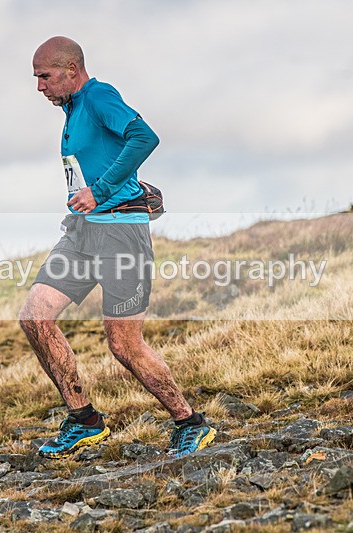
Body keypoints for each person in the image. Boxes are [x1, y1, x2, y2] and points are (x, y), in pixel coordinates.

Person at [19, 36, 216, 459]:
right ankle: (84, 421)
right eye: (37, 78)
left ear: (71, 69)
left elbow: (144, 137)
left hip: (121, 234)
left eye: (45, 77)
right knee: (35, 318)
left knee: (124, 345)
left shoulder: (99, 96)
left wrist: (102, 190)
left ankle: (190, 423)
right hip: (83, 233)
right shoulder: (73, 109)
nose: (39, 87)